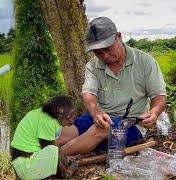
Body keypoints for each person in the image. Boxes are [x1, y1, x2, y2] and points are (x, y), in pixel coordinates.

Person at [60, 17, 166, 156]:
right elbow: (88, 94)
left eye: (108, 49)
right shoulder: (92, 66)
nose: (105, 56)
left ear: (119, 37)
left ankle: (51, 159)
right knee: (65, 132)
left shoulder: (145, 62)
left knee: (101, 129)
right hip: (100, 117)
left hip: (131, 126)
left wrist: (154, 112)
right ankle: (34, 153)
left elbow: (159, 96)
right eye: (98, 52)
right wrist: (96, 113)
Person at [10, 95, 77, 179]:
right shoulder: (47, 121)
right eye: (69, 116)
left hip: (24, 161)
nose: (72, 120)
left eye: (73, 114)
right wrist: (65, 163)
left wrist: (65, 158)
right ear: (60, 111)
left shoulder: (44, 116)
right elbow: (50, 149)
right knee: (53, 150)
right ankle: (66, 173)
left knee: (54, 151)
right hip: (25, 166)